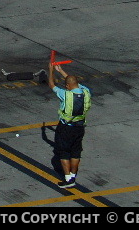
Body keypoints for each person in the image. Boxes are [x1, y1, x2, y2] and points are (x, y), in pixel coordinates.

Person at [48, 58, 91, 188]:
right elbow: (73, 82)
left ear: (67, 87)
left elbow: (52, 85)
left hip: (66, 128)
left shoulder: (65, 94)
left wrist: (51, 71)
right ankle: (73, 174)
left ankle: (68, 179)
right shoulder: (86, 91)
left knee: (64, 152)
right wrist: (61, 71)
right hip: (80, 127)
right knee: (76, 152)